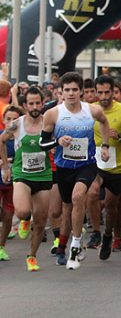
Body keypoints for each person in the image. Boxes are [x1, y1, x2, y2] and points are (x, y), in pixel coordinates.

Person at [39, 72, 111, 270]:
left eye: (74, 90)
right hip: (64, 167)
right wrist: (57, 141)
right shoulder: (53, 114)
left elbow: (104, 122)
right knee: (67, 208)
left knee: (79, 196)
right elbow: (42, 143)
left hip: (86, 164)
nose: (71, 94)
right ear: (61, 92)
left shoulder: (92, 110)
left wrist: (105, 146)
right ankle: (62, 246)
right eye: (67, 90)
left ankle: (76, 244)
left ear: (81, 92)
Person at [0, 87, 52, 271]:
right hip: (22, 174)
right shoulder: (16, 124)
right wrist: (6, 166)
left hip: (43, 175)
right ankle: (23, 219)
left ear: (43, 103)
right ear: (25, 105)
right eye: (31, 103)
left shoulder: (49, 123)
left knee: (40, 220)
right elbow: (2, 140)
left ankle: (32, 257)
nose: (35, 106)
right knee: (22, 211)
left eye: (38, 103)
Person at [88, 75, 121, 260]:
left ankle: (108, 235)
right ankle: (96, 232)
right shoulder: (89, 111)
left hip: (117, 166)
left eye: (108, 92)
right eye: (100, 92)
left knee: (111, 206)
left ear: (114, 91)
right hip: (95, 163)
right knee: (92, 194)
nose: (104, 96)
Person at [0, 106, 23, 261]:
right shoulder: (1, 137)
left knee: (8, 216)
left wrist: (12, 162)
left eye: (14, 119)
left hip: (14, 182)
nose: (11, 122)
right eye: (8, 119)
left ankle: (1, 247)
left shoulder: (23, 138)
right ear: (3, 120)